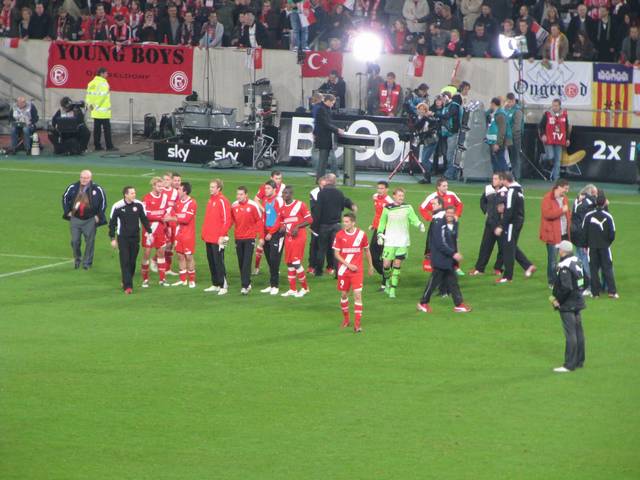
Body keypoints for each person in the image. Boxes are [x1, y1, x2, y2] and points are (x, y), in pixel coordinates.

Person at [417, 205, 472, 313]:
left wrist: (455, 256)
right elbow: (440, 244)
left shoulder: (455, 224)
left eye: (452, 213)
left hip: (448, 259)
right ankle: (423, 303)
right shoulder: (439, 225)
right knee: (433, 282)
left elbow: (454, 241)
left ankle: (459, 304)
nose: (449, 215)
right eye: (448, 213)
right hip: (440, 259)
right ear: (445, 213)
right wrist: (453, 254)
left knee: (453, 282)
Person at [377, 187, 425, 298]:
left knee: (397, 265)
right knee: (386, 265)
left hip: (402, 241)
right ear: (394, 196)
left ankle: (392, 290)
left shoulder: (408, 207)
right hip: (389, 241)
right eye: (399, 195)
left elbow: (414, 219)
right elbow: (382, 222)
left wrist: (419, 225)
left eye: (402, 196)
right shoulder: (387, 208)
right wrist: (379, 234)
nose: (401, 198)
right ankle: (387, 281)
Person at [333, 213, 374, 333]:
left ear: (353, 222)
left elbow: (367, 251)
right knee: (344, 295)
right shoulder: (339, 235)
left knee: (357, 295)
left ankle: (357, 324)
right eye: (344, 221)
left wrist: (370, 266)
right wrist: (348, 265)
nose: (344, 224)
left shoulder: (361, 235)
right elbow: (336, 254)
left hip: (357, 271)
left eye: (347, 222)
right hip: (344, 270)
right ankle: (346, 319)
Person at [549, 240, 586, 373]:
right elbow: (585, 279)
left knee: (571, 334)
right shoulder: (577, 261)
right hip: (578, 301)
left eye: (559, 249)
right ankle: (579, 361)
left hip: (568, 304)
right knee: (578, 332)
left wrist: (557, 300)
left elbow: (566, 287)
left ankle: (569, 365)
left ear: (563, 251)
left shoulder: (564, 266)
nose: (558, 251)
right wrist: (579, 292)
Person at [109, 186, 152, 294]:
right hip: (123, 238)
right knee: (125, 261)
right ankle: (128, 286)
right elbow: (112, 223)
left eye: (134, 193)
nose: (134, 195)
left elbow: (144, 218)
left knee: (132, 261)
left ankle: (126, 279)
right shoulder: (117, 206)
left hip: (135, 237)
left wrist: (149, 232)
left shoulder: (139, 205)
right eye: (132, 193)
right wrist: (112, 238)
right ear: (126, 195)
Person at [62, 170, 108, 270]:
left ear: (90, 178)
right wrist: (67, 211)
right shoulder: (73, 187)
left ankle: (87, 263)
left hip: (90, 219)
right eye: (82, 177)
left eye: (86, 178)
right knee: (75, 241)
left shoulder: (97, 189)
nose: (84, 180)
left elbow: (103, 203)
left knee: (90, 242)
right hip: (75, 218)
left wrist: (98, 216)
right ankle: (77, 259)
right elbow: (65, 198)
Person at [495, 172, 536, 283]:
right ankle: (528, 266)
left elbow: (509, 210)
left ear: (505, 180)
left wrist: (501, 225)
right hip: (519, 221)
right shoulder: (519, 189)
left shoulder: (511, 191)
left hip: (512, 223)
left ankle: (507, 277)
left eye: (501, 180)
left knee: (508, 248)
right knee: (511, 245)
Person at [312, 173, 356, 276]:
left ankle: (318, 272)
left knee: (321, 249)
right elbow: (344, 202)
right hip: (336, 226)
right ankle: (337, 272)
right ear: (334, 181)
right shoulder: (339, 193)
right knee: (336, 250)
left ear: (327, 181)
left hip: (324, 226)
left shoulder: (321, 193)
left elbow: (318, 211)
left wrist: (314, 227)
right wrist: (351, 205)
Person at [419, 177, 463, 272]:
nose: (446, 187)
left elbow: (460, 204)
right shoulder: (432, 197)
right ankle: (433, 264)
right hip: (437, 224)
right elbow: (422, 208)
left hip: (450, 224)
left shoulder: (451, 195)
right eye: (444, 186)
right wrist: (430, 218)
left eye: (447, 185)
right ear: (438, 187)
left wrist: (457, 215)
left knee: (453, 244)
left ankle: (456, 267)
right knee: (434, 244)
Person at [276, 186, 312, 297]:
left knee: (296, 263)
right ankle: (292, 289)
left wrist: (298, 227)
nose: (283, 195)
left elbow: (310, 220)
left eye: (286, 193)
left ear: (291, 194)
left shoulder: (300, 205)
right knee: (289, 263)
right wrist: (282, 227)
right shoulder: (282, 208)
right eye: (283, 193)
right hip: (288, 238)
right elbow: (282, 221)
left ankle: (305, 288)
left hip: (299, 237)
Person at [469, 173, 507, 275]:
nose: (493, 180)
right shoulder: (488, 189)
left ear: (501, 180)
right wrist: (486, 210)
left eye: (496, 179)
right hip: (490, 223)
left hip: (501, 223)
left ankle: (498, 268)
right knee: (485, 246)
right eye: (493, 178)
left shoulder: (506, 191)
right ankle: (479, 268)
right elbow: (482, 201)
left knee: (503, 247)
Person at [583, 191, 618, 299]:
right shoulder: (608, 216)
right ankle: (612, 292)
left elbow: (584, 232)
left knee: (593, 270)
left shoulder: (588, 216)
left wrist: (585, 245)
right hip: (604, 247)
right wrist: (607, 243)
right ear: (604, 203)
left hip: (592, 247)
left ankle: (595, 293)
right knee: (607, 268)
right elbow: (612, 234)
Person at [201, 179, 232, 295]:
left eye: (213, 187)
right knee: (211, 261)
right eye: (210, 187)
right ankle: (215, 284)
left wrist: (222, 235)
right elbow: (208, 219)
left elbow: (227, 220)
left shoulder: (223, 201)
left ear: (219, 188)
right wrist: (204, 233)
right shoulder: (211, 200)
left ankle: (223, 285)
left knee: (219, 261)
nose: (210, 189)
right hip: (209, 237)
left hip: (220, 238)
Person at [139, 177, 170, 288]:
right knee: (147, 253)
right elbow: (146, 215)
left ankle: (162, 279)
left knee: (161, 253)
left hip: (161, 229)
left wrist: (167, 227)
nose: (161, 188)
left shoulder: (165, 197)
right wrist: (159, 217)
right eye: (159, 186)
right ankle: (145, 279)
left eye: (162, 186)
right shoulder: (146, 198)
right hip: (149, 230)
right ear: (153, 186)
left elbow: (166, 213)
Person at [540, 179, 571, 288]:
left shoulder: (564, 198)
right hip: (553, 235)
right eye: (565, 188)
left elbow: (568, 214)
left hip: (564, 234)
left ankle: (564, 280)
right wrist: (561, 210)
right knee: (553, 260)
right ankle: (552, 282)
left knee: (566, 259)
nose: (566, 191)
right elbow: (547, 214)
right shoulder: (547, 198)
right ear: (559, 187)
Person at [231, 186, 262, 295]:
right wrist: (223, 233)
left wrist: (260, 236)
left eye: (241, 194)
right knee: (241, 262)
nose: (238, 196)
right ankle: (247, 282)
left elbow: (259, 220)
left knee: (246, 262)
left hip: (250, 238)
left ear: (246, 195)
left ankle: (244, 286)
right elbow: (231, 220)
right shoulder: (234, 205)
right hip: (238, 238)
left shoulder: (253, 205)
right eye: (237, 194)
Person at [253, 170, 285, 273]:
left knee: (274, 250)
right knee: (261, 244)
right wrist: (264, 209)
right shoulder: (266, 187)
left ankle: (274, 270)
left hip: (276, 223)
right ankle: (257, 268)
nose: (278, 181)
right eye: (276, 178)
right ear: (271, 178)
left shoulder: (283, 187)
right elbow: (256, 199)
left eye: (280, 179)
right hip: (265, 220)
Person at [167, 182, 198, 288]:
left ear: (185, 191)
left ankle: (192, 280)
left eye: (179, 189)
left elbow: (186, 219)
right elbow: (175, 216)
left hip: (188, 235)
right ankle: (183, 280)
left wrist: (172, 218)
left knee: (189, 256)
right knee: (180, 256)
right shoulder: (178, 203)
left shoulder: (192, 203)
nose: (177, 191)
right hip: (178, 233)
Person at [258, 180, 285, 295]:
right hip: (267, 234)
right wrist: (262, 236)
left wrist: (271, 232)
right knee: (269, 260)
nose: (266, 190)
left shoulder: (278, 200)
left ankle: (275, 286)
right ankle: (271, 284)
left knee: (274, 260)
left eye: (268, 188)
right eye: (265, 188)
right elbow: (263, 218)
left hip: (277, 234)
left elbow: (280, 218)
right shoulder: (265, 200)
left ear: (274, 190)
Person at [570, 184, 598, 295]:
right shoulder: (589, 202)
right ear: (591, 192)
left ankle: (581, 285)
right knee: (586, 263)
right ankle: (589, 287)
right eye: (595, 193)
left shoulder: (577, 200)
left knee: (579, 264)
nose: (596, 195)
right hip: (583, 237)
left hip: (575, 236)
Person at [313, 94, 344, 180]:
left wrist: (336, 129)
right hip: (323, 138)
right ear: (328, 101)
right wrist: (337, 130)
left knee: (324, 160)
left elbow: (325, 123)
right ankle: (319, 179)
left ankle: (320, 178)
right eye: (332, 103)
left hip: (326, 137)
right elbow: (325, 124)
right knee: (323, 161)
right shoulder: (321, 109)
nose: (333, 105)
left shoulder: (325, 109)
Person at [369, 180, 394, 290]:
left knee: (386, 256)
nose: (379, 190)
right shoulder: (375, 197)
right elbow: (378, 214)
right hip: (378, 229)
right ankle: (388, 275)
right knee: (372, 254)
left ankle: (386, 280)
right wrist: (373, 224)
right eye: (378, 188)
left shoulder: (389, 202)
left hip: (387, 231)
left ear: (387, 189)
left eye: (382, 188)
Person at [85, 67, 116, 152]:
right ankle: (109, 146)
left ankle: (97, 146)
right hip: (103, 112)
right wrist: (97, 106)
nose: (107, 75)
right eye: (106, 73)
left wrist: (90, 106)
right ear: (101, 73)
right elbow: (102, 97)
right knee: (107, 130)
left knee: (97, 130)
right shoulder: (104, 83)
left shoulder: (91, 83)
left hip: (95, 111)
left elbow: (88, 96)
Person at [539, 98, 570, 182]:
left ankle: (556, 178)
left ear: (560, 106)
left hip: (559, 139)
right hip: (549, 139)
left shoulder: (564, 114)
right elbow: (541, 126)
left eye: (556, 106)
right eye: (553, 105)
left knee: (558, 159)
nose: (554, 107)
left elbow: (566, 127)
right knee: (550, 156)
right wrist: (543, 135)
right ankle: (543, 156)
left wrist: (567, 139)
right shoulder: (547, 114)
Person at [440, 92, 464, 180]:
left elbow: (448, 116)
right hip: (451, 133)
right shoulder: (454, 106)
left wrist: (436, 114)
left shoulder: (454, 106)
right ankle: (453, 173)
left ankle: (450, 173)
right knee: (451, 154)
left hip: (453, 133)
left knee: (451, 154)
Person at [413, 102, 438, 184]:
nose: (421, 111)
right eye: (420, 109)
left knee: (424, 159)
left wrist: (427, 117)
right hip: (425, 141)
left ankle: (427, 177)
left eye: (423, 109)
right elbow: (417, 126)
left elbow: (434, 124)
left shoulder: (430, 118)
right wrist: (425, 117)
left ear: (426, 110)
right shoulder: (417, 118)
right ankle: (427, 175)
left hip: (431, 140)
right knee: (424, 159)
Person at [308, 176, 328, 275]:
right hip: (316, 223)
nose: (324, 187)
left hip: (328, 223)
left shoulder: (331, 192)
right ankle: (312, 266)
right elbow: (314, 210)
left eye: (326, 185)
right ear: (319, 184)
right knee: (314, 245)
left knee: (329, 245)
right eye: (323, 185)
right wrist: (313, 225)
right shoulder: (314, 193)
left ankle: (330, 266)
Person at [485, 97, 511, 174]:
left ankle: (507, 177)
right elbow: (485, 114)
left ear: (493, 104)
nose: (490, 106)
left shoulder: (500, 115)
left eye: (491, 105)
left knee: (500, 160)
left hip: (498, 142)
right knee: (496, 161)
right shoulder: (496, 113)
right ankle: (498, 177)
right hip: (493, 141)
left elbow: (502, 130)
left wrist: (498, 144)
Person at [504, 93, 523, 180]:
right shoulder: (508, 110)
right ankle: (514, 174)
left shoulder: (517, 111)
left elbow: (517, 126)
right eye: (508, 101)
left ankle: (517, 176)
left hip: (515, 137)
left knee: (515, 157)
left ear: (513, 100)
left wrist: (510, 135)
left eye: (510, 102)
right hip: (509, 137)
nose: (509, 103)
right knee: (511, 156)